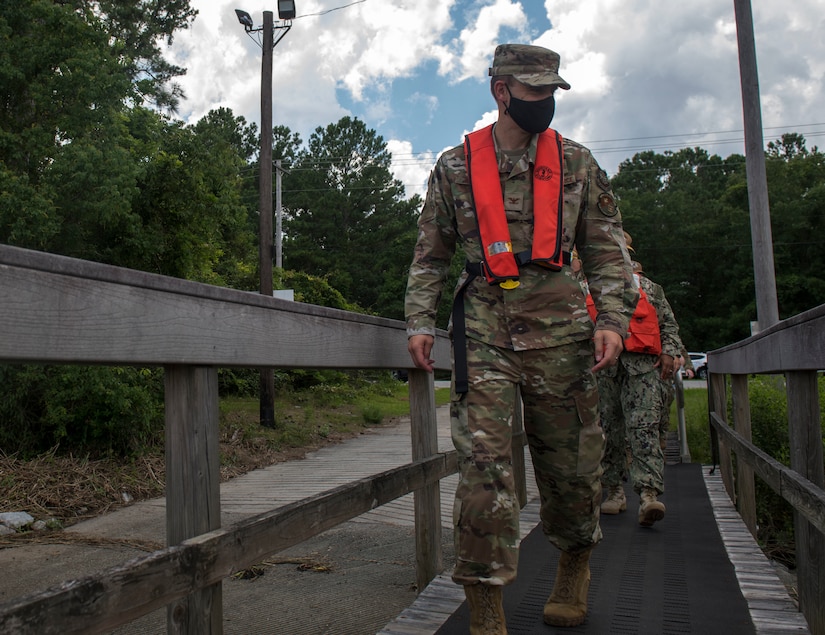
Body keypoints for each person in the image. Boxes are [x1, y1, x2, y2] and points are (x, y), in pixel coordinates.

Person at [404, 43, 637, 632]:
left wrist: (612, 319)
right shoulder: (455, 166)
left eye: (551, 92)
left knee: (572, 470)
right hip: (483, 329)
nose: (544, 102)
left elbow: (608, 254)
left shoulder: (578, 164)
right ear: (500, 91)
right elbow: (430, 255)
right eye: (533, 91)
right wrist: (419, 321)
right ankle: (485, 607)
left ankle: (573, 564)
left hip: (563, 332)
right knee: (483, 470)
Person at [598, 256, 684, 527]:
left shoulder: (650, 288)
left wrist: (669, 351)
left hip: (643, 369)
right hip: (605, 371)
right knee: (608, 432)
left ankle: (648, 496)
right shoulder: (592, 287)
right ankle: (614, 491)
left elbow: (669, 325)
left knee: (643, 429)